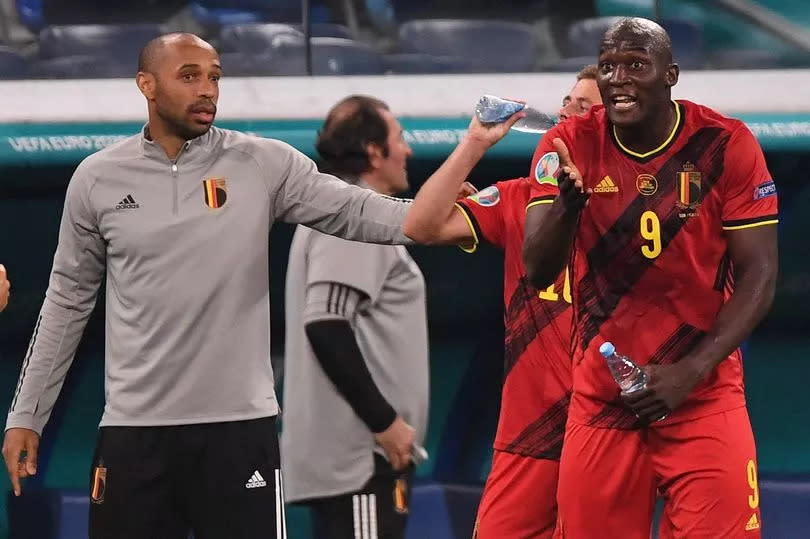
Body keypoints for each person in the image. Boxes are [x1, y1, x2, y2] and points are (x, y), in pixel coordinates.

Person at [1, 33, 518, 539]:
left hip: (238, 433)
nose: (207, 89)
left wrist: (444, 214)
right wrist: (27, 415)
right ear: (147, 85)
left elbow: (358, 210)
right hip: (134, 434)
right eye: (189, 76)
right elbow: (66, 303)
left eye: (215, 77)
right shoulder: (96, 179)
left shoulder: (263, 163)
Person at [522, 17, 777, 538]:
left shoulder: (725, 144)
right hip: (603, 399)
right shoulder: (567, 144)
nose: (618, 77)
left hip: (703, 393)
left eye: (636, 64)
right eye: (610, 66)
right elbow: (537, 269)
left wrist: (692, 370)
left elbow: (760, 273)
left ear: (671, 75)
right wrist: (567, 208)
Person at [400, 67, 601, 538]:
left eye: (584, 107)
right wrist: (475, 143)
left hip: (601, 431)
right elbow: (421, 225)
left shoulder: (634, 209)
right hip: (528, 435)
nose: (567, 114)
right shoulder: (518, 198)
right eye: (567, 103)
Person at [283, 95, 451, 539]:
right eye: (399, 138)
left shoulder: (345, 211)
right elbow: (326, 325)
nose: (408, 150)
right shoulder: (351, 216)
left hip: (363, 459)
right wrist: (386, 424)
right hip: (361, 462)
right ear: (374, 151)